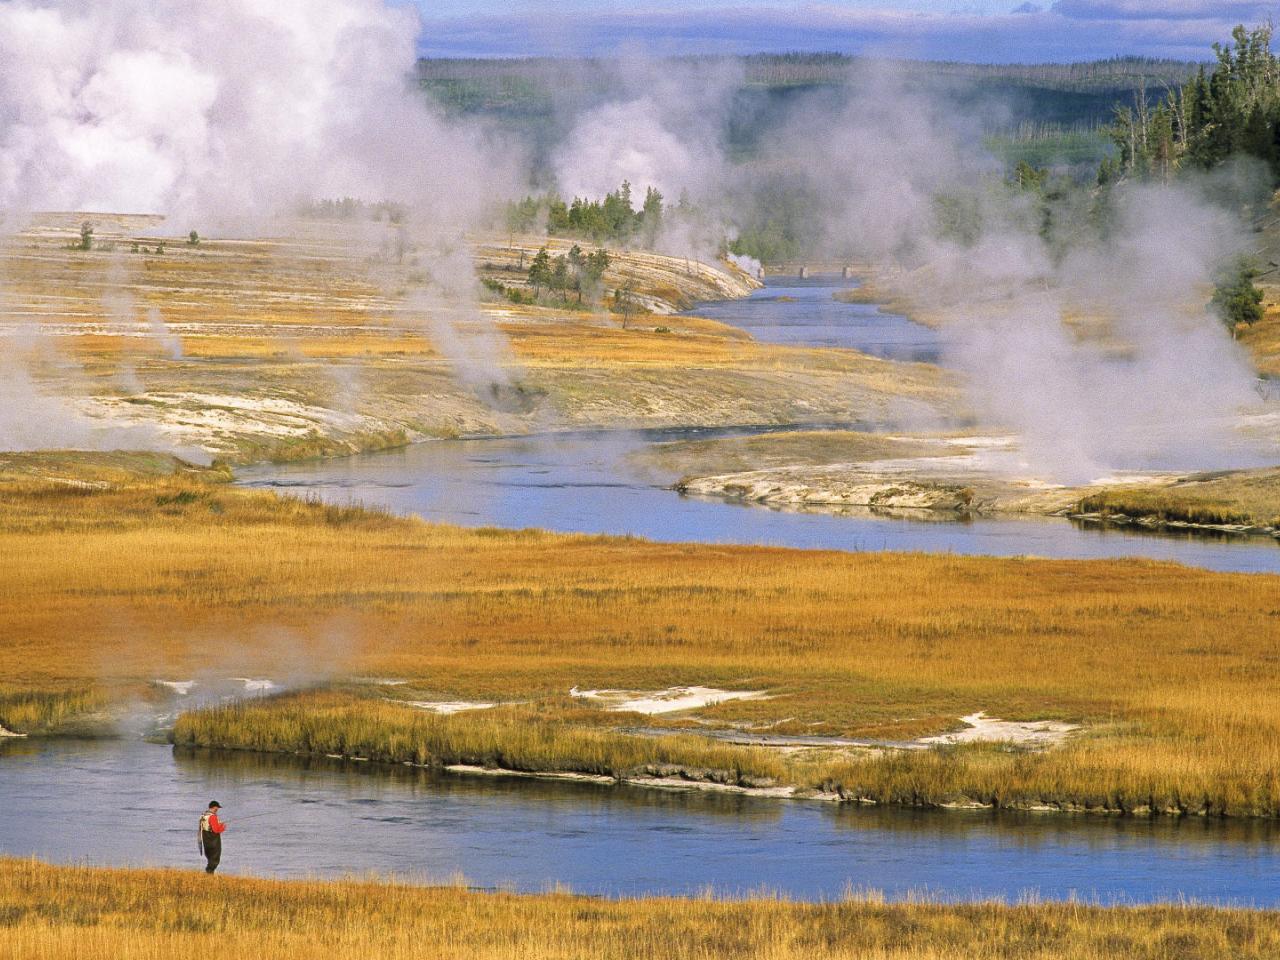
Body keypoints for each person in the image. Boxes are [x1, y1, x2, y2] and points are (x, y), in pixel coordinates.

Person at [198, 801, 227, 874]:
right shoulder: (213, 817)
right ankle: (209, 873)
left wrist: (219, 824)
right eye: (217, 807)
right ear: (214, 807)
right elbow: (216, 830)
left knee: (210, 857)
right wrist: (223, 827)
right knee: (215, 857)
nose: (218, 809)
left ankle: (209, 873)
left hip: (205, 838)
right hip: (213, 839)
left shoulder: (204, 815)